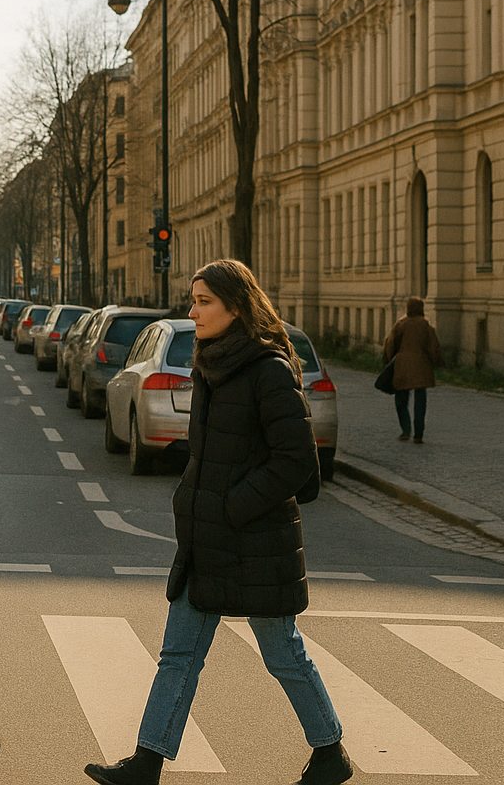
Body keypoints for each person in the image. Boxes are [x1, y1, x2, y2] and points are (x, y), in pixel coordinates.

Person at [84, 259, 350, 785]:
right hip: (207, 539)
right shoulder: (211, 365)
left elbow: (298, 464)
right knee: (178, 653)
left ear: (237, 305)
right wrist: (196, 500)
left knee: (282, 654)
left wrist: (232, 506)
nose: (193, 310)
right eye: (193, 299)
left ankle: (330, 752)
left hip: (256, 543)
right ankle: (147, 761)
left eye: (204, 301)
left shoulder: (269, 369)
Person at [382, 296, 443, 444]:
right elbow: (433, 347)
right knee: (420, 401)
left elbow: (390, 345)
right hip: (422, 366)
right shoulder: (425, 325)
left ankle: (405, 430)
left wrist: (388, 361)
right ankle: (418, 434)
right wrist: (437, 362)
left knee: (401, 400)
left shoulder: (401, 324)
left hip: (402, 366)